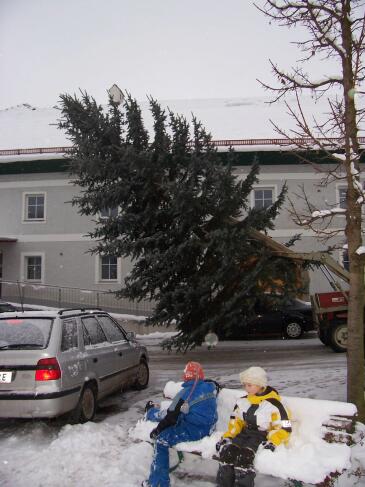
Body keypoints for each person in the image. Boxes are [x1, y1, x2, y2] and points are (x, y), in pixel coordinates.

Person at [142, 361, 218, 487]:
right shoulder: (210, 387)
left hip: (194, 430)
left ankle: (158, 483)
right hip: (209, 427)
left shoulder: (184, 394)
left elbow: (170, 418)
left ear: (186, 376)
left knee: (161, 440)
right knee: (172, 414)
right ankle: (152, 411)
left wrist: (157, 431)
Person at [216, 366, 292, 487]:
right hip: (244, 435)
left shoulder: (274, 405)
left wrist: (273, 441)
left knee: (244, 457)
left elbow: (284, 427)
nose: (246, 388)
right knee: (227, 453)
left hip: (260, 437)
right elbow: (236, 422)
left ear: (260, 384)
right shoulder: (243, 401)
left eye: (249, 385)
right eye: (244, 385)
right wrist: (228, 436)